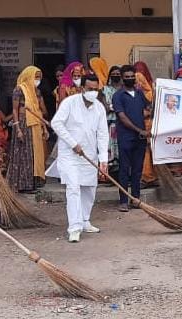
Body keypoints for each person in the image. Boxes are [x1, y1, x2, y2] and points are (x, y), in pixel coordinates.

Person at [50, 75, 109, 243]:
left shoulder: (99, 108)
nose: (93, 92)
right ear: (82, 88)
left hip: (89, 155)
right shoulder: (69, 103)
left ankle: (84, 221)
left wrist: (103, 159)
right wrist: (72, 143)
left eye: (95, 89)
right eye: (89, 89)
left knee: (89, 189)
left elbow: (103, 135)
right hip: (70, 155)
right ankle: (74, 228)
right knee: (74, 188)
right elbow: (56, 123)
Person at [112, 65, 150, 212]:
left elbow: (148, 108)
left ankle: (135, 199)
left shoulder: (140, 93)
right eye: (126, 77)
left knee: (137, 169)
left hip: (140, 138)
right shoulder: (118, 96)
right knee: (124, 169)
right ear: (122, 78)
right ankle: (123, 201)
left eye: (131, 76)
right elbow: (122, 117)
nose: (129, 79)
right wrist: (139, 130)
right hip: (126, 137)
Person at [7, 66, 49, 193]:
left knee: (35, 154)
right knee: (24, 154)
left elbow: (40, 111)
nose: (37, 80)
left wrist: (44, 128)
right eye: (35, 77)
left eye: (39, 78)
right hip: (23, 124)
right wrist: (18, 128)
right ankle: (23, 184)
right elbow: (15, 110)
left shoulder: (36, 92)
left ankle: (34, 182)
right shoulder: (19, 90)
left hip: (35, 124)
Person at [134, 61, 158, 186]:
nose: (138, 81)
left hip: (147, 123)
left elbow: (151, 109)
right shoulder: (150, 89)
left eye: (140, 77)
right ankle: (148, 176)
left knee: (147, 151)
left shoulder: (150, 91)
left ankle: (147, 176)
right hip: (141, 123)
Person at [103, 65, 122, 164]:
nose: (115, 76)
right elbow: (105, 107)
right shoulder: (105, 89)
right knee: (109, 147)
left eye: (118, 74)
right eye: (113, 74)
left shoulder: (125, 89)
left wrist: (112, 107)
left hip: (123, 123)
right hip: (109, 123)